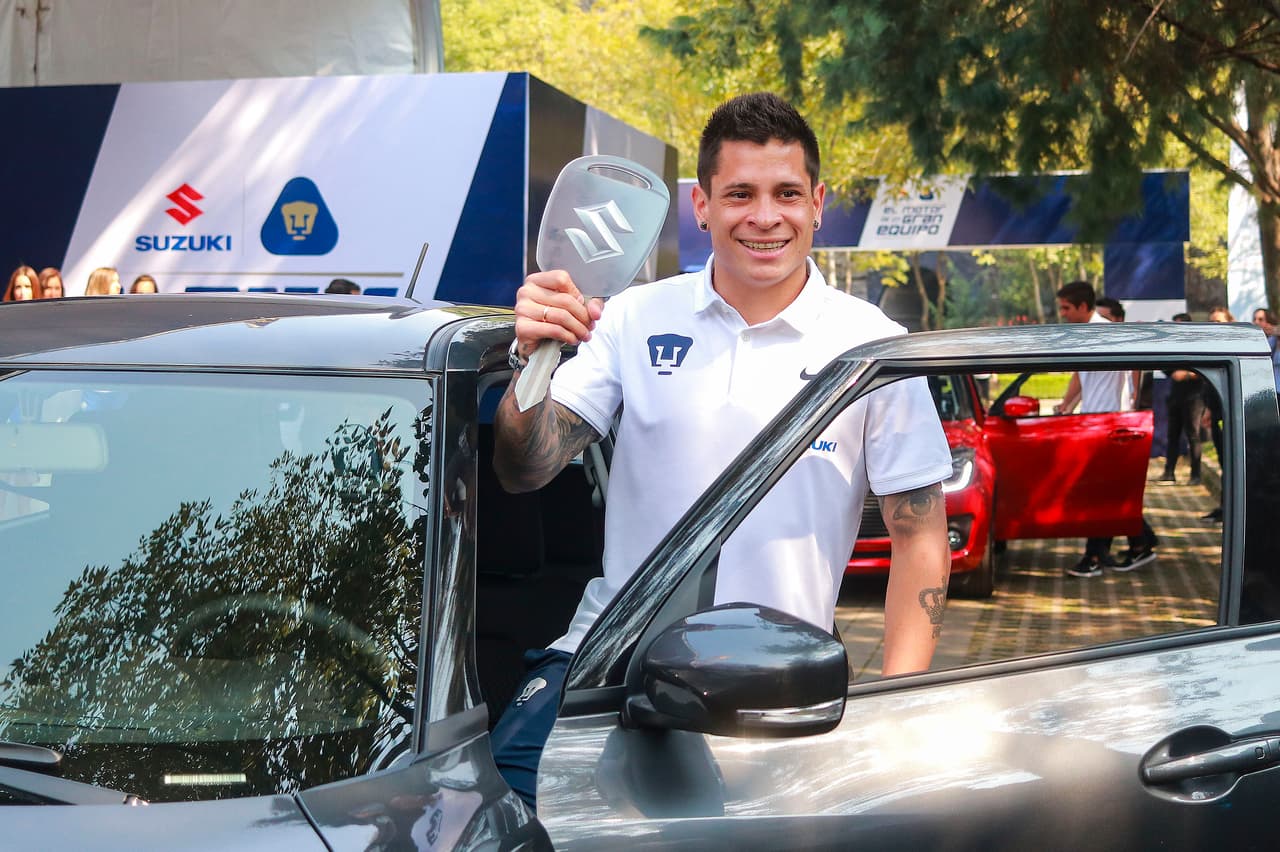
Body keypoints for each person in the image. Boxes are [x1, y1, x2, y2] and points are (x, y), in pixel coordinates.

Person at [490, 92, 953, 808]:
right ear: (701, 206)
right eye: (739, 194)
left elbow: (919, 533)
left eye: (786, 193)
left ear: (818, 202)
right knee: (498, 819)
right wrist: (537, 361)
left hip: (776, 690)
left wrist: (897, 704)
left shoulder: (871, 347)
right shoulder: (636, 317)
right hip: (606, 669)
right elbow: (527, 467)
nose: (764, 216)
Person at [1052, 281, 1159, 577]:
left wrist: (1133, 404)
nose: (1063, 314)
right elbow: (1080, 376)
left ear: (1083, 307)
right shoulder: (1085, 334)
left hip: (1111, 425)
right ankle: (1141, 543)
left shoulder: (1107, 332)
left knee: (1101, 495)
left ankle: (1096, 558)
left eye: (1066, 308)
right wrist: (1066, 406)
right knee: (1108, 494)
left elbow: (1136, 363)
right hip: (1093, 423)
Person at [1157, 313, 1203, 485]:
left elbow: (1204, 369)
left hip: (1194, 396)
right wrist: (1174, 373)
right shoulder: (1172, 345)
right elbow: (1164, 364)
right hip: (1176, 395)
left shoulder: (1197, 345)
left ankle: (1196, 475)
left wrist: (1188, 375)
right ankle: (1169, 472)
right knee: (1173, 434)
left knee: (1193, 434)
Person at [1201, 306, 1234, 522]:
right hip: (1216, 413)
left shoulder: (1234, 349)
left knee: (1231, 464)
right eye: (1211, 322)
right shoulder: (1210, 348)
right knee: (1224, 463)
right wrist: (1208, 409)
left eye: (1219, 322)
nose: (1215, 326)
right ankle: (1224, 506)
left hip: (1231, 417)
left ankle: (1230, 509)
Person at [1253, 307, 1279, 390]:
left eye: (1261, 320)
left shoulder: (1275, 339)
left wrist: (1275, 331)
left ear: (1269, 322)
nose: (1256, 322)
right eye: (1254, 319)